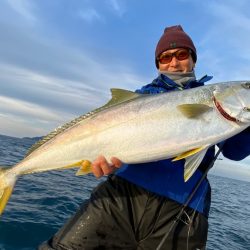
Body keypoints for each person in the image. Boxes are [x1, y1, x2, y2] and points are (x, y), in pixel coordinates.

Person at [39, 25, 250, 250]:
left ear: (193, 59)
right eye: (165, 58)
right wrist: (105, 163)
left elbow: (234, 152)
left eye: (181, 55)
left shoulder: (213, 102)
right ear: (158, 64)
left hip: (183, 209)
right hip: (122, 196)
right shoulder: (141, 97)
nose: (174, 63)